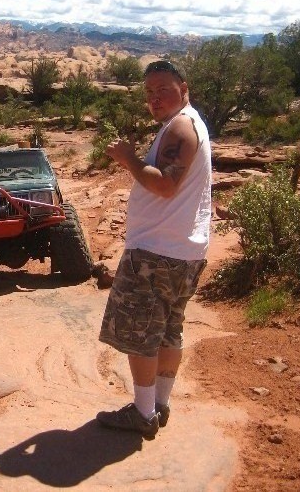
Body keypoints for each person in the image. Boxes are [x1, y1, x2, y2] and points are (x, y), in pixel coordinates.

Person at [96, 59, 212, 439]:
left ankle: (144, 414)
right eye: (149, 92)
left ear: (184, 87)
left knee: (139, 331)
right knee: (167, 330)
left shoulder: (181, 126)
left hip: (156, 251)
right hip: (182, 250)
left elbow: (164, 185)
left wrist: (128, 158)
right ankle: (160, 406)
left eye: (163, 89)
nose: (155, 98)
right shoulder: (188, 124)